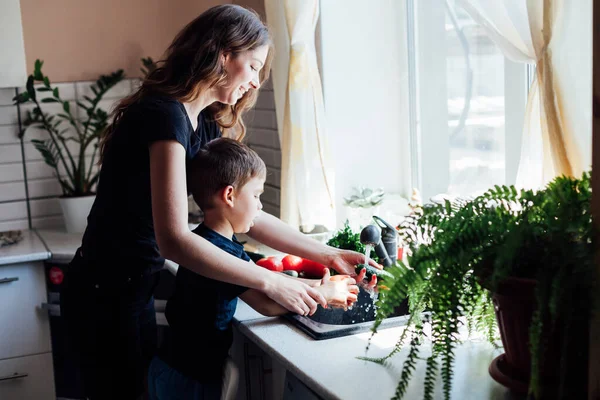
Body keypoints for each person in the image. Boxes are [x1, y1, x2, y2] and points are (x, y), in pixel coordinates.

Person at [60, 4, 379, 399]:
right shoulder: (165, 117)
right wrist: (270, 279)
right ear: (223, 54)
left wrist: (328, 253)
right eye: (254, 66)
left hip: (131, 288)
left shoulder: (203, 120)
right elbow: (173, 239)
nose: (257, 81)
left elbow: (246, 208)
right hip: (102, 295)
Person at [147, 138, 360, 400]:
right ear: (229, 195)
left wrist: (324, 285)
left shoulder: (205, 241)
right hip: (190, 381)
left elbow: (267, 280)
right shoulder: (222, 252)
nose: (260, 206)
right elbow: (266, 303)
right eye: (256, 195)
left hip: (170, 366)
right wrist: (324, 295)